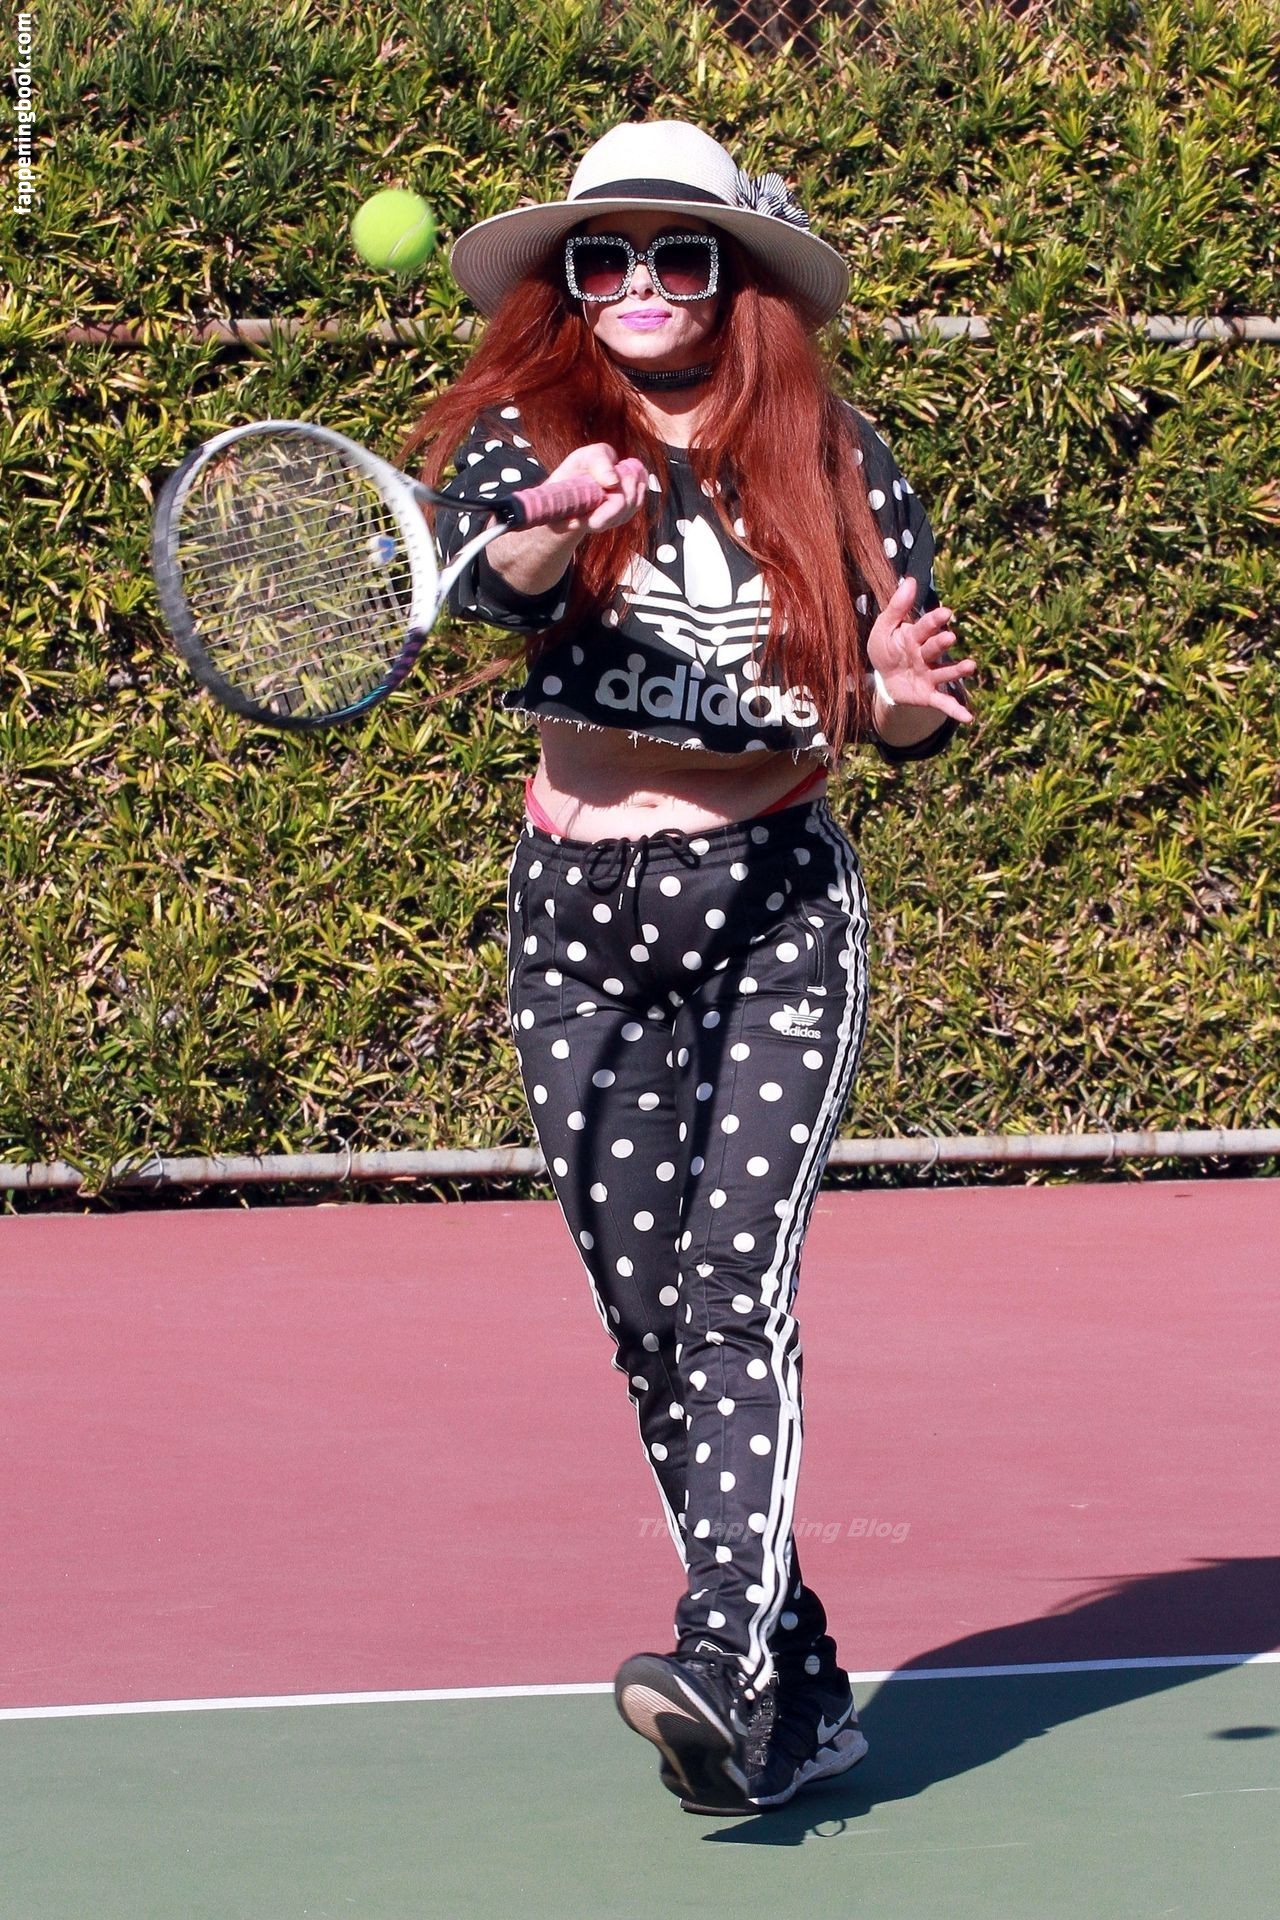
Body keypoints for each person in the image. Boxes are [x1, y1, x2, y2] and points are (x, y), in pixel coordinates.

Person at [401, 120, 976, 1816]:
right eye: (605, 257)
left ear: (739, 279)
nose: (641, 285)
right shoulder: (525, 437)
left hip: (771, 904)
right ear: (567, 285)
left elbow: (902, 706)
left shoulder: (836, 457)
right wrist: (546, 524)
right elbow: (494, 593)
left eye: (680, 254)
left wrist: (895, 705)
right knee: (648, 1317)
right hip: (577, 923)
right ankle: (796, 1680)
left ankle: (720, 1654)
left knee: (733, 1289)